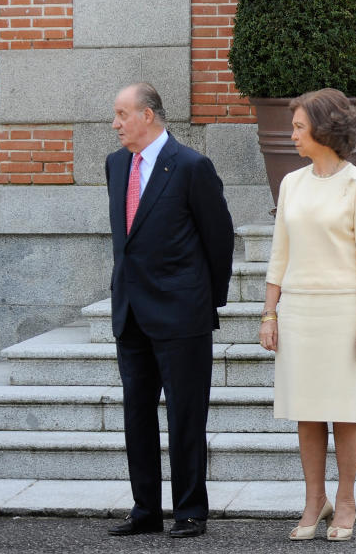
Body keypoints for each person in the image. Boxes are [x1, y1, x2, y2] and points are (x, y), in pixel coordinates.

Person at [104, 83, 234, 538]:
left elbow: (219, 239)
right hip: (131, 313)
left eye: (122, 114)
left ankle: (190, 511)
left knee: (184, 415)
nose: (115, 124)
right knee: (136, 413)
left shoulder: (192, 166)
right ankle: (144, 510)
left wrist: (206, 300)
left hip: (183, 313)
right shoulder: (117, 164)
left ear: (148, 115)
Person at [259, 88, 356, 541]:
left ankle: (346, 499)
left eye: (297, 127)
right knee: (307, 412)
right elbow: (279, 253)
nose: (291, 134)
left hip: (344, 312)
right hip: (299, 311)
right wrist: (269, 313)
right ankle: (315, 500)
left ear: (323, 129)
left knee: (347, 412)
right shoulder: (291, 183)